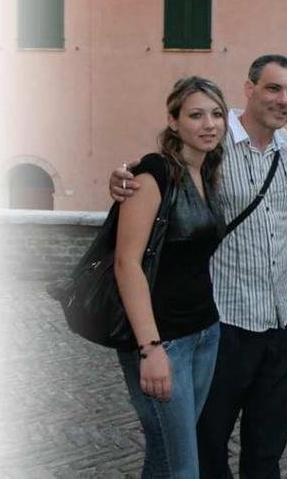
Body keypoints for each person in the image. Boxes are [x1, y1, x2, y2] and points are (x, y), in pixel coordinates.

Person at [111, 54, 287, 478]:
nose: (283, 99)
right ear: (249, 89)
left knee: (267, 445)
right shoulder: (212, 150)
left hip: (284, 312)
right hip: (228, 316)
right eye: (273, 88)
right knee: (202, 445)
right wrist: (123, 178)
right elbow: (151, 200)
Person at [114, 76, 228, 477]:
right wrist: (150, 349)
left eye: (216, 114)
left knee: (166, 457)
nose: (209, 124)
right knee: (183, 468)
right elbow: (126, 263)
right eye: (196, 115)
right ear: (173, 120)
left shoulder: (208, 170)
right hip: (164, 342)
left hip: (204, 333)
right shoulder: (154, 174)